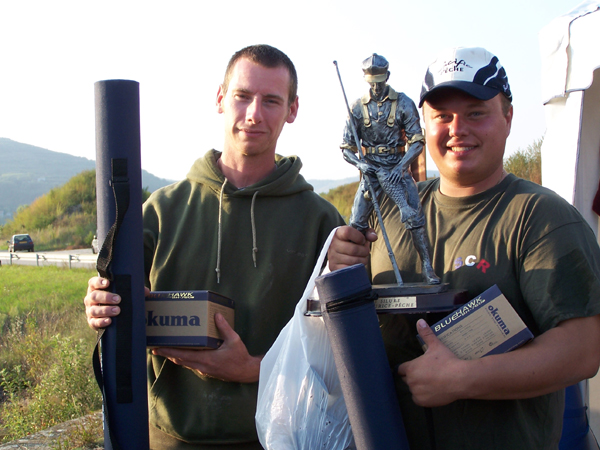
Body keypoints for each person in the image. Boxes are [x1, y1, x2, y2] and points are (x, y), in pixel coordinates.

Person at [328, 46, 600, 449]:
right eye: (442, 117)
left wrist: (461, 379)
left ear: (507, 117)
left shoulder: (540, 217)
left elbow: (582, 350)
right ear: (423, 122)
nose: (458, 129)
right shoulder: (385, 215)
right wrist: (340, 267)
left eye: (476, 113)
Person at [85, 44, 344, 450]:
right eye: (242, 96)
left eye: (272, 101)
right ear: (220, 98)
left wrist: (253, 369)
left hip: (280, 439)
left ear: (293, 109)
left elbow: (336, 360)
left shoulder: (322, 224)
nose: (254, 114)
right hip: (166, 438)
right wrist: (102, 306)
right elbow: (117, 308)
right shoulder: (158, 212)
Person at [340, 53, 439, 284]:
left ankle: (427, 266)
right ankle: (353, 276)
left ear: (387, 77)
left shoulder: (403, 103)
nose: (375, 86)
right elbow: (346, 148)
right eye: (371, 81)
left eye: (379, 80)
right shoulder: (356, 107)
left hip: (398, 168)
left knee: (414, 217)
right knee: (356, 223)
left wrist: (401, 167)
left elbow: (417, 141)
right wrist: (360, 164)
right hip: (371, 171)